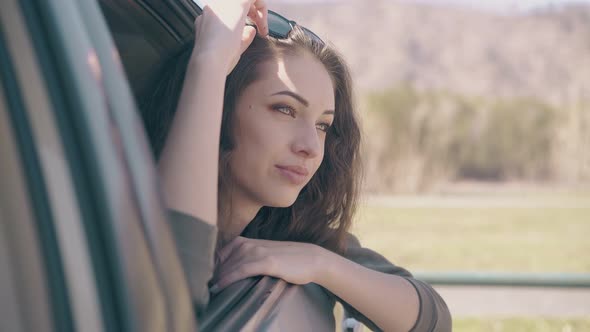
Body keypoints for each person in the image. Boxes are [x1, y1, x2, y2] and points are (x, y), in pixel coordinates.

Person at [139, 0, 451, 331]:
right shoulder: (121, 214)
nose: (310, 147)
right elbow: (166, 300)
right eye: (285, 110)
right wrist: (210, 61)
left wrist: (319, 263)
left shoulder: (296, 235)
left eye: (323, 125)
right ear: (220, 103)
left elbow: (432, 319)